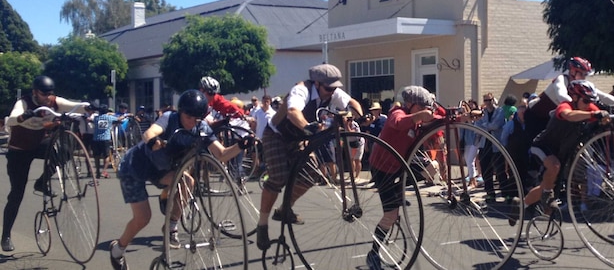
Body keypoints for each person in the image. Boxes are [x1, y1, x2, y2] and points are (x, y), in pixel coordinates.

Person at [109, 89, 252, 270]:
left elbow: (221, 154)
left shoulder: (201, 127)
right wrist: (153, 141)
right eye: (189, 116)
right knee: (143, 218)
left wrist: (241, 145)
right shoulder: (169, 118)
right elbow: (150, 133)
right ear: (181, 112)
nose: (192, 122)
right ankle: (117, 250)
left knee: (188, 182)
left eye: (197, 118)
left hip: (162, 170)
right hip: (136, 167)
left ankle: (171, 227)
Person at [255, 64, 362, 251]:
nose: (332, 92)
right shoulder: (301, 90)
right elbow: (293, 112)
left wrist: (358, 114)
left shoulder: (331, 92)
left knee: (312, 174)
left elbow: (351, 102)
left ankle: (284, 209)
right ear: (317, 83)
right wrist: (307, 127)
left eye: (334, 88)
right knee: (277, 178)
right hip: (277, 136)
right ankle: (262, 225)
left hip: (299, 139)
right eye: (328, 88)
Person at [3, 76, 90, 253]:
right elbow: (11, 119)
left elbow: (75, 105)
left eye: (49, 93)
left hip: (38, 144)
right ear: (35, 92)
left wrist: (90, 107)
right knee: (16, 194)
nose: (47, 97)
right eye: (44, 93)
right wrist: (24, 116)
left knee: (65, 152)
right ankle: (5, 236)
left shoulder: (53, 101)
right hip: (19, 150)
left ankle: (41, 182)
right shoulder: (24, 103)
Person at [365, 86, 441, 270]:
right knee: (391, 215)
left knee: (432, 168)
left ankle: (400, 189)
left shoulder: (417, 120)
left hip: (402, 161)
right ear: (411, 104)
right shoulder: (397, 112)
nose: (426, 109)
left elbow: (439, 119)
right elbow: (398, 123)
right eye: (422, 106)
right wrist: (419, 116)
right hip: (382, 167)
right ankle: (373, 254)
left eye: (427, 106)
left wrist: (463, 118)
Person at [514, 80, 611, 222]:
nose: (588, 105)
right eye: (585, 100)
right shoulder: (565, 106)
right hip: (543, 146)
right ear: (575, 98)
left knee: (545, 185)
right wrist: (593, 115)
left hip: (562, 153)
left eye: (590, 101)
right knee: (554, 167)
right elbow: (568, 115)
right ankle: (547, 196)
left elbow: (605, 119)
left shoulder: (588, 108)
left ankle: (520, 206)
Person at [92, 104, 126, 178]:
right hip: (105, 139)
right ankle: (104, 171)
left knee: (97, 156)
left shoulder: (96, 118)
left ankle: (97, 171)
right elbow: (119, 119)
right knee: (106, 156)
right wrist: (125, 116)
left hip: (96, 139)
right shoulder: (109, 118)